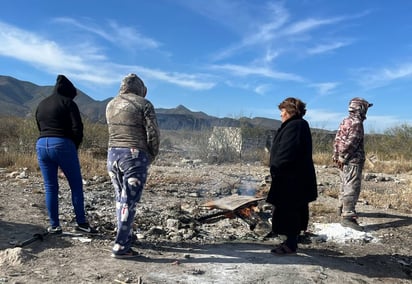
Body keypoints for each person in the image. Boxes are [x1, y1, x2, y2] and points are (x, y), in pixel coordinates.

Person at [106, 73, 160, 258]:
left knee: (120, 199)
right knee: (129, 201)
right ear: (140, 88)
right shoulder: (144, 104)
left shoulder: (111, 104)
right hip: (134, 156)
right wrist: (152, 154)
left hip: (113, 155)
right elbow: (152, 132)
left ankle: (125, 235)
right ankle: (121, 247)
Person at [35, 74, 97, 235]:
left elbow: (39, 126)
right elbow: (78, 128)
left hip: (42, 144)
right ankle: (81, 223)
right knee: (75, 185)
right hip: (62, 144)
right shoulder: (68, 103)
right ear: (69, 91)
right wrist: (72, 147)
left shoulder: (42, 104)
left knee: (50, 187)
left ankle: (54, 225)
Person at [266, 97, 317, 255]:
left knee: (289, 210)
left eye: (282, 111)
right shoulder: (297, 125)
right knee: (292, 209)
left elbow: (287, 152)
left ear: (290, 112)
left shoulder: (295, 126)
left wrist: (276, 169)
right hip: (294, 177)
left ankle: (290, 244)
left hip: (291, 179)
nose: (281, 115)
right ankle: (290, 241)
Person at [333, 97, 373, 231]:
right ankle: (348, 216)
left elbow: (337, 140)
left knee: (344, 185)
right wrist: (343, 157)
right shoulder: (357, 123)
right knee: (352, 186)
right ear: (361, 108)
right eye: (365, 107)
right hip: (352, 161)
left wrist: (337, 157)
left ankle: (342, 209)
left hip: (343, 160)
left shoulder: (345, 121)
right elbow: (351, 143)